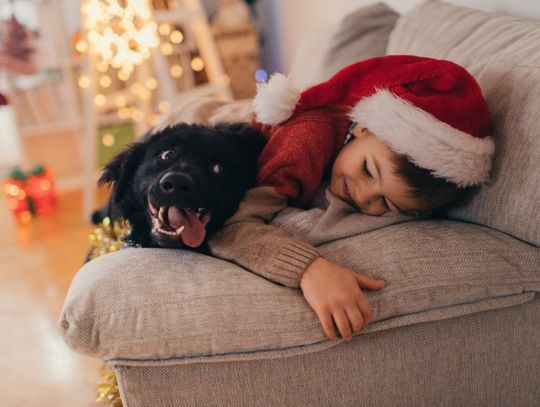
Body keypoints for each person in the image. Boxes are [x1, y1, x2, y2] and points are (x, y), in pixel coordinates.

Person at [208, 55, 495, 342]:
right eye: (368, 170)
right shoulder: (304, 142)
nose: (363, 196)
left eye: (386, 204)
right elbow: (233, 227)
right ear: (362, 128)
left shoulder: (381, 170)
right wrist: (309, 269)